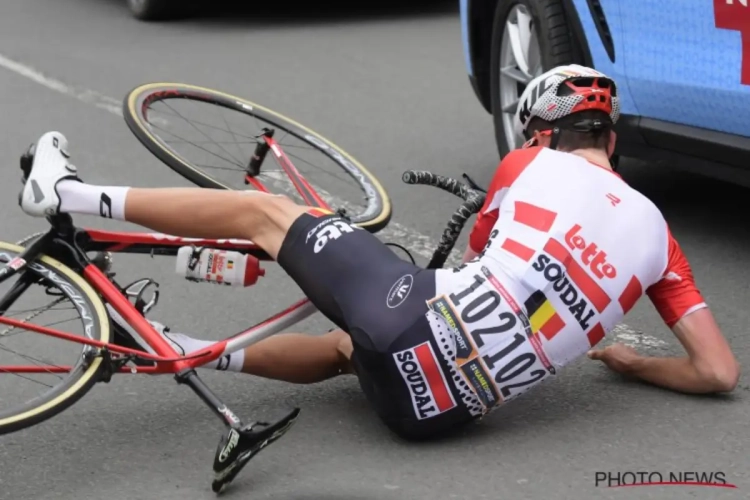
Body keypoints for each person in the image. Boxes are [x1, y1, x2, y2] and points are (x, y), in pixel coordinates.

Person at [18, 65, 739, 444]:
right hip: (433, 418)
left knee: (264, 212)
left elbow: (484, 255)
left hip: (414, 322)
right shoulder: (659, 237)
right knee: (344, 348)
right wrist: (629, 358)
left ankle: (69, 192)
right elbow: (718, 371)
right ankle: (174, 346)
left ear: (541, 134)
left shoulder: (530, 167)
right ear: (610, 138)